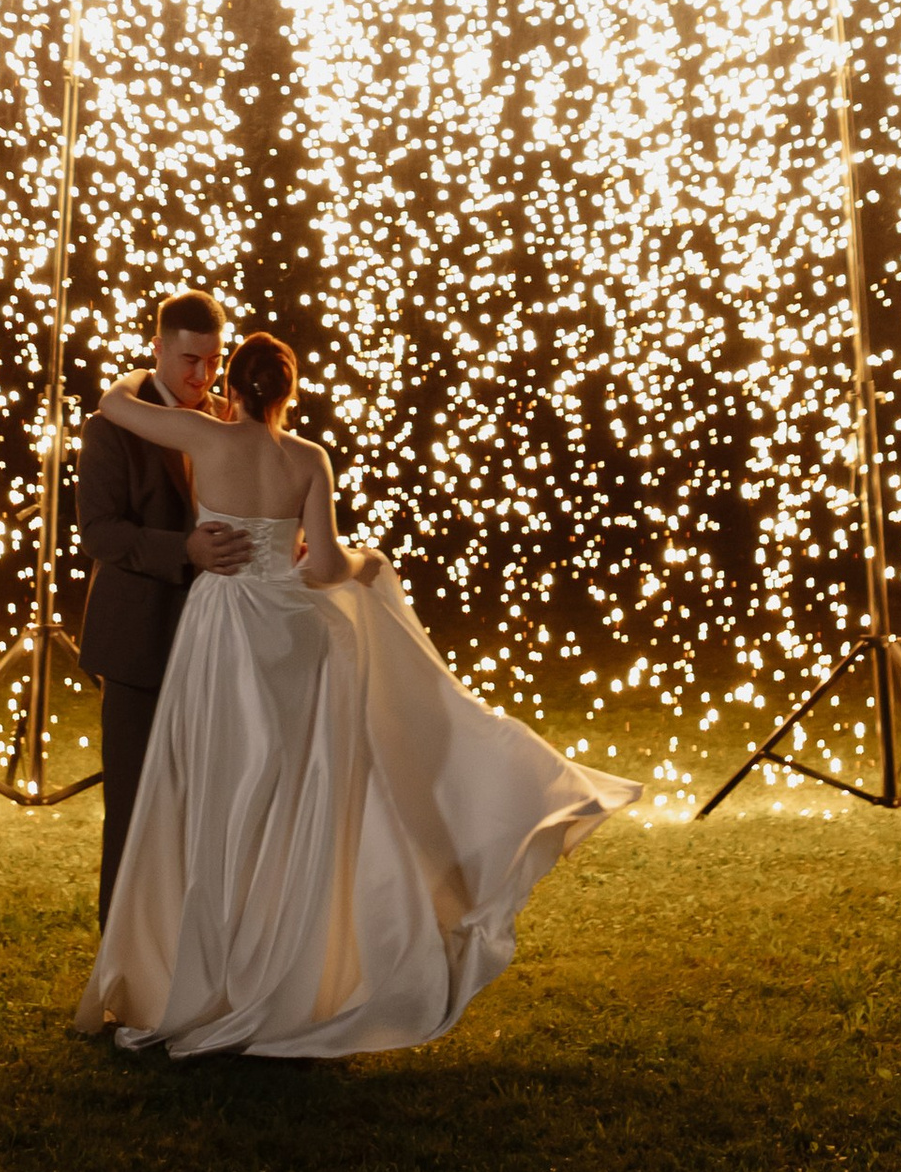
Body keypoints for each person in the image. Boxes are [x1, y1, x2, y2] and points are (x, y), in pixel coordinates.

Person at [77, 326, 638, 1057]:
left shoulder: (202, 438)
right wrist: (366, 563)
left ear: (233, 389)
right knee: (287, 794)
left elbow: (112, 402)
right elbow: (322, 568)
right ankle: (281, 964)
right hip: (288, 634)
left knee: (214, 791)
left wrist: (131, 377)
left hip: (221, 629)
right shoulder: (309, 458)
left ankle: (200, 966)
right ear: (289, 392)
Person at [73, 291, 250, 926]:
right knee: (134, 807)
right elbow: (98, 532)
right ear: (157, 349)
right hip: (139, 643)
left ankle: (186, 952)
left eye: (212, 360)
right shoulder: (113, 424)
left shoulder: (230, 422)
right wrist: (185, 550)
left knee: (202, 808)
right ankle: (121, 966)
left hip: (217, 646)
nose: (201, 377)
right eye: (188, 361)